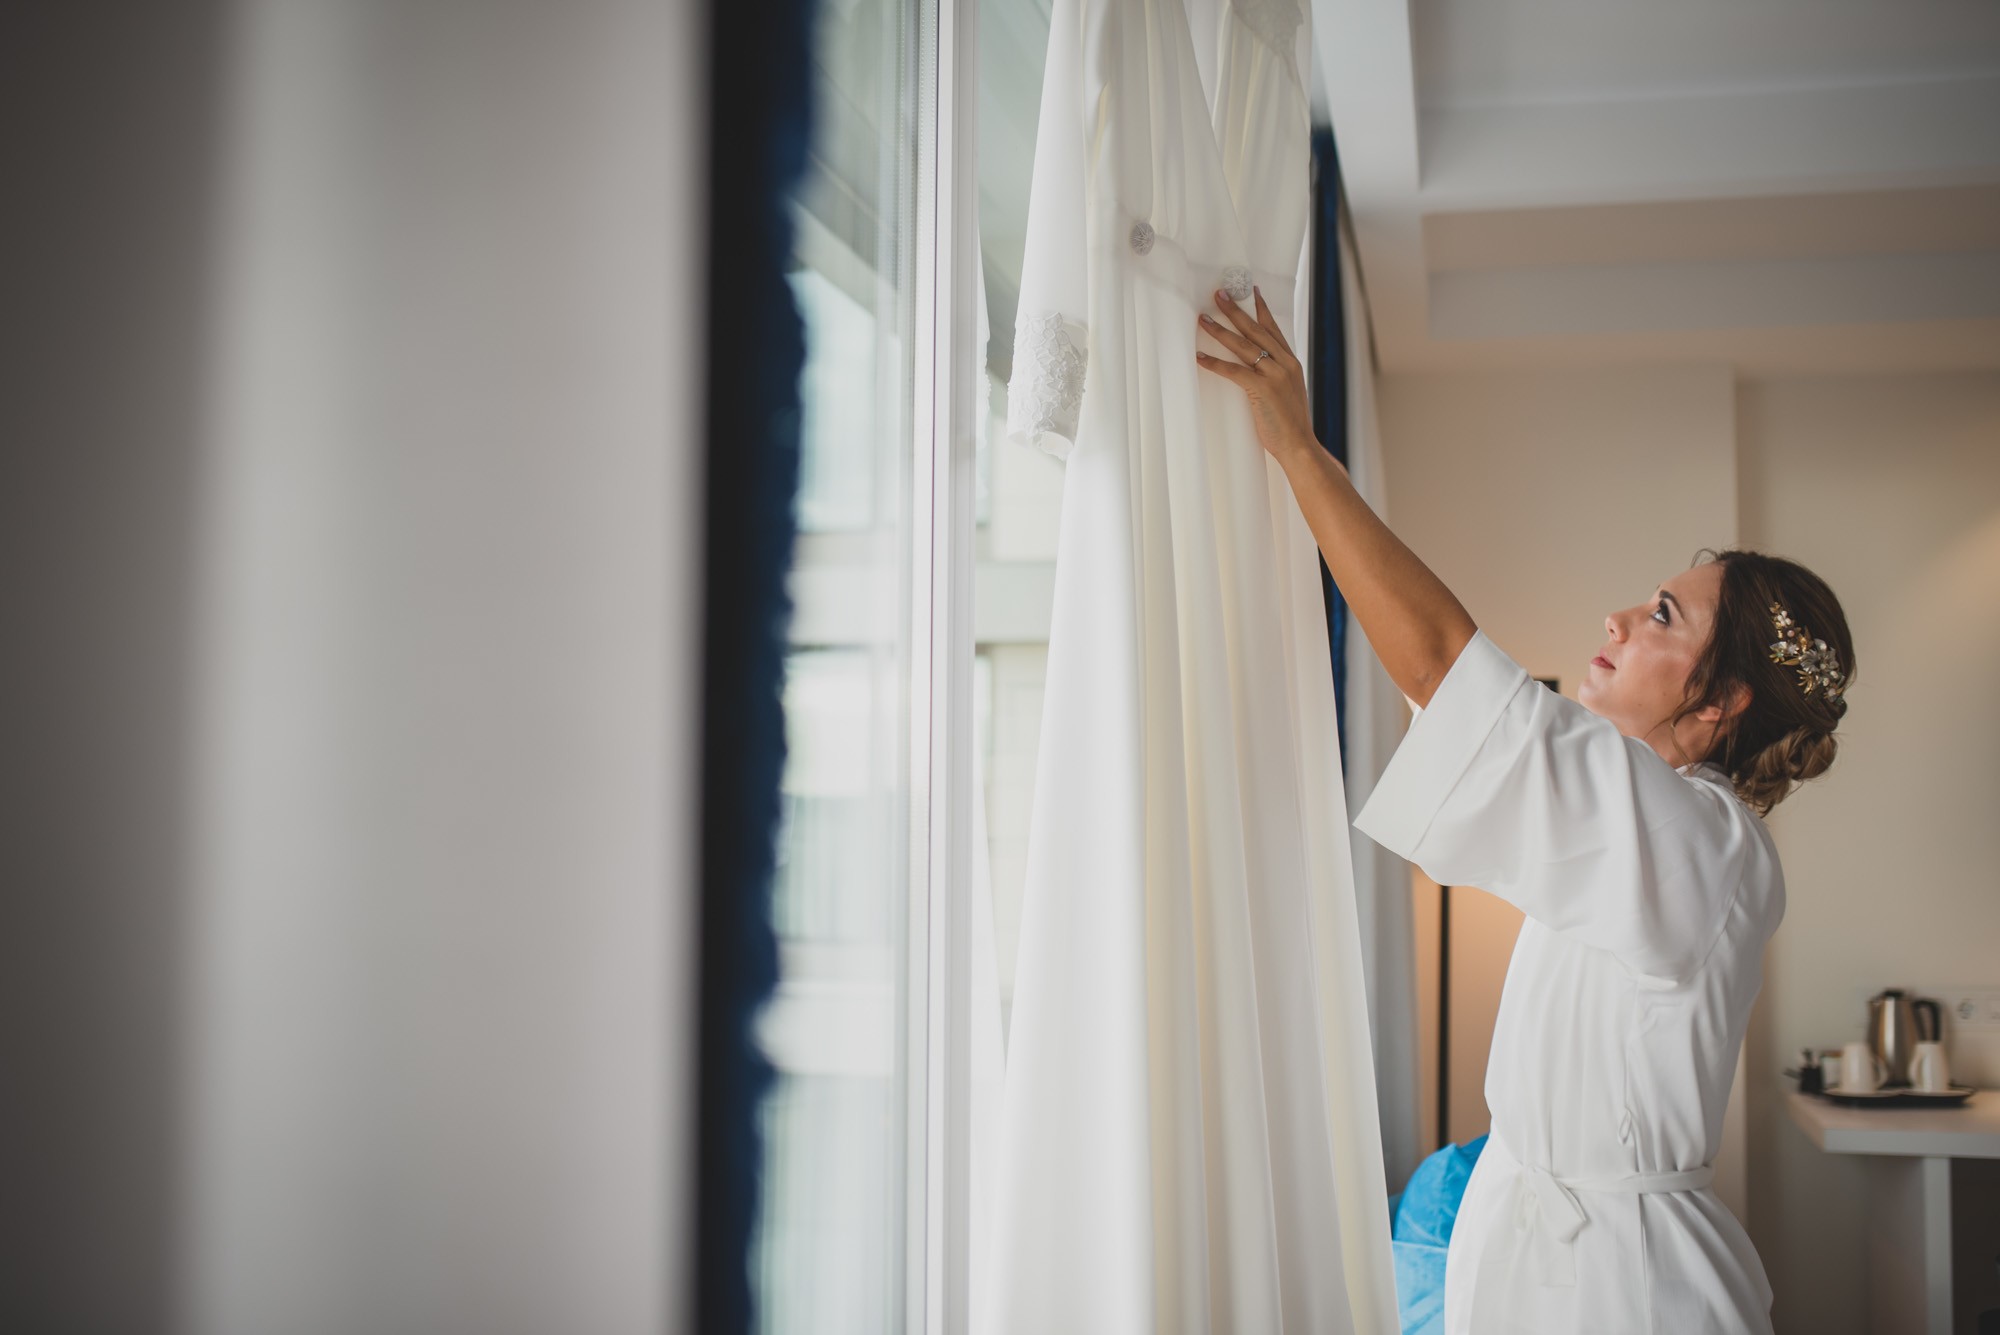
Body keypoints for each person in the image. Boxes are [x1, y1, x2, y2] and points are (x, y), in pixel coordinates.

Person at [1196, 287, 1853, 1333]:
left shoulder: (1699, 840)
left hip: (1620, 1291)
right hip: (1537, 1250)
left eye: (1662, 616)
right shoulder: (1661, 815)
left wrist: (1298, 450)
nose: (1618, 617)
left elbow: (1441, 667)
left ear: (1718, 701)